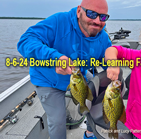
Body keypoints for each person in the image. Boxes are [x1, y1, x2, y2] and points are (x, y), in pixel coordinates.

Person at [17, 0, 111, 139]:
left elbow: (107, 60)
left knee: (98, 97)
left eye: (103, 17)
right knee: (58, 122)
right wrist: (54, 58)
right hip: (49, 80)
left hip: (78, 77)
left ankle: (90, 133)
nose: (97, 21)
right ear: (79, 11)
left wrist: (114, 71)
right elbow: (25, 41)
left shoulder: (102, 37)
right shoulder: (58, 22)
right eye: (91, 14)